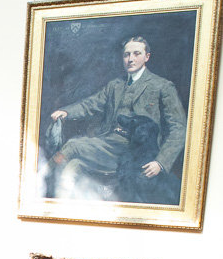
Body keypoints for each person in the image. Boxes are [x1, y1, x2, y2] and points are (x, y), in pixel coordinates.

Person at [48, 36, 187, 203]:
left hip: (137, 153)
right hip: (108, 146)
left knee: (73, 146)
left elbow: (179, 127)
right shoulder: (115, 85)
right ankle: (51, 196)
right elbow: (91, 104)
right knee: (73, 164)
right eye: (126, 55)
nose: (130, 59)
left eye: (137, 54)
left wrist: (161, 162)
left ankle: (42, 176)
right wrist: (66, 112)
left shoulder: (162, 86)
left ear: (147, 57)